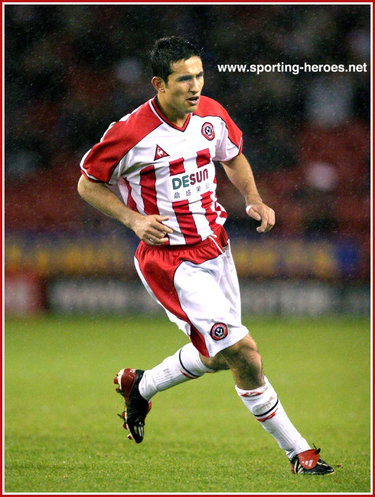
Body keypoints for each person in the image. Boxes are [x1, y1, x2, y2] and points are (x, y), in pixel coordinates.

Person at [77, 36, 333, 476]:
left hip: (217, 248)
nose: (195, 86)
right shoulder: (130, 133)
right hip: (171, 262)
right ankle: (299, 453)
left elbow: (232, 157)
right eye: (184, 79)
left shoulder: (210, 113)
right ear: (159, 83)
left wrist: (253, 197)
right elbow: (87, 183)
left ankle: (141, 385)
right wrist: (134, 221)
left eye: (199, 75)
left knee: (219, 355)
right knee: (244, 353)